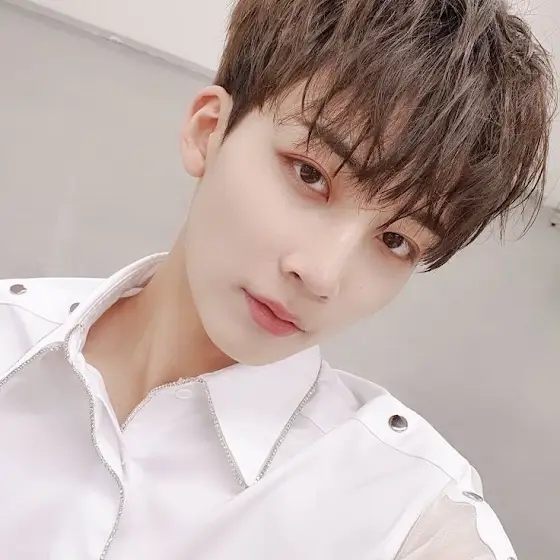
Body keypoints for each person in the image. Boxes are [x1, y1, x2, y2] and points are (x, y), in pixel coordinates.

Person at [0, 0, 554, 558]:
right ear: (208, 130)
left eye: (395, 241)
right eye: (310, 174)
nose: (321, 275)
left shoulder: (412, 518)